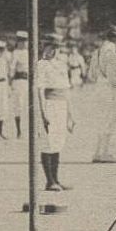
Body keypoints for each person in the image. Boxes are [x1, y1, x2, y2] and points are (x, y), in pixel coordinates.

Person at [38, 35, 74, 191]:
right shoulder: (41, 65)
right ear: (44, 47)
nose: (53, 51)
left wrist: (71, 114)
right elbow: (39, 90)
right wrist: (43, 112)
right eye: (50, 47)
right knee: (48, 142)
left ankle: (56, 179)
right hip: (49, 103)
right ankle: (49, 180)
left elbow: (67, 91)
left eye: (56, 48)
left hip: (61, 104)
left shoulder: (61, 65)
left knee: (59, 142)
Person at [89, 30, 116, 162]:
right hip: (109, 89)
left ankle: (97, 152)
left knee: (101, 120)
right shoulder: (111, 53)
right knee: (109, 121)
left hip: (98, 87)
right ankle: (104, 152)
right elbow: (114, 78)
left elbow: (91, 75)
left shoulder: (97, 52)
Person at [10, 31, 31, 138]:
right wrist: (10, 82)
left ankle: (28, 130)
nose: (23, 44)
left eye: (25, 41)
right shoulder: (16, 53)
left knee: (28, 105)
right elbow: (12, 68)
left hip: (28, 81)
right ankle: (19, 130)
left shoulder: (29, 52)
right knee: (18, 105)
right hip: (18, 81)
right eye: (21, 41)